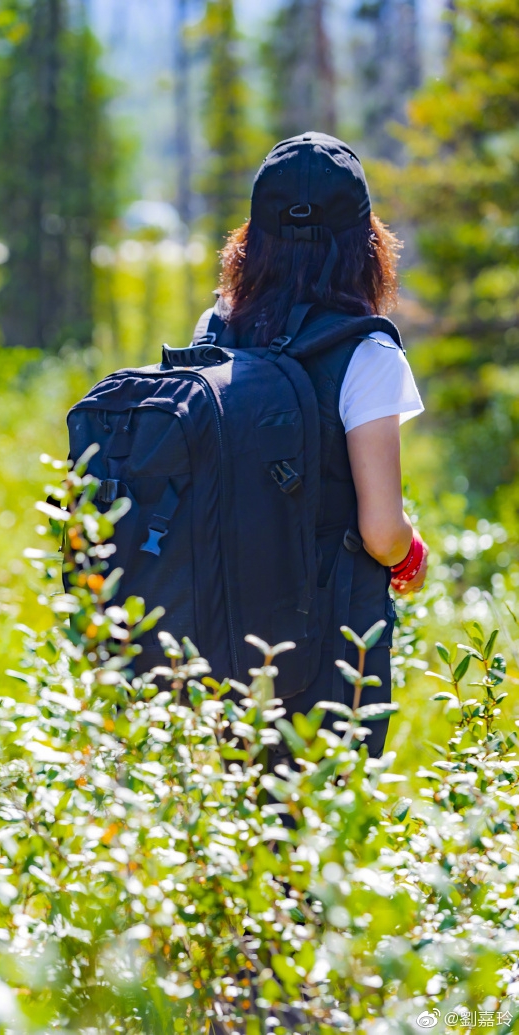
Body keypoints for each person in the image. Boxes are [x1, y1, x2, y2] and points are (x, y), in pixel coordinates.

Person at [191, 132, 428, 756]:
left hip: (215, 632)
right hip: (327, 643)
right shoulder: (368, 352)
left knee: (228, 826)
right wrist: (409, 553)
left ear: (253, 241)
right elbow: (381, 531)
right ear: (365, 244)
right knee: (318, 826)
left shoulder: (214, 328)